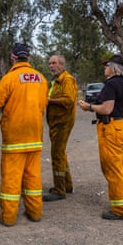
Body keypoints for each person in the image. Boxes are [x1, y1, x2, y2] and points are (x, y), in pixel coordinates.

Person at [0, 43, 48, 227]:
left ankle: (8, 217)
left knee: (12, 178)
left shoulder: (10, 78)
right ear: (28, 58)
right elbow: (43, 103)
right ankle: (35, 212)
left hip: (14, 137)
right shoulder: (41, 78)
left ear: (13, 57)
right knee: (33, 176)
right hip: (34, 135)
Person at [78, 54, 123, 220]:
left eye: (107, 66)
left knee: (113, 169)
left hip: (112, 129)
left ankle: (121, 209)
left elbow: (106, 109)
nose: (105, 68)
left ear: (114, 68)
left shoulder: (111, 85)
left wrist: (88, 107)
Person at [42, 55, 78, 201]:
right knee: (61, 154)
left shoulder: (67, 80)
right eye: (50, 63)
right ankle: (66, 185)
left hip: (63, 123)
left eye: (54, 63)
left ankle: (59, 190)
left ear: (62, 64)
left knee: (57, 155)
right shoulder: (55, 82)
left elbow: (68, 100)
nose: (51, 66)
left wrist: (48, 101)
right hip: (56, 123)